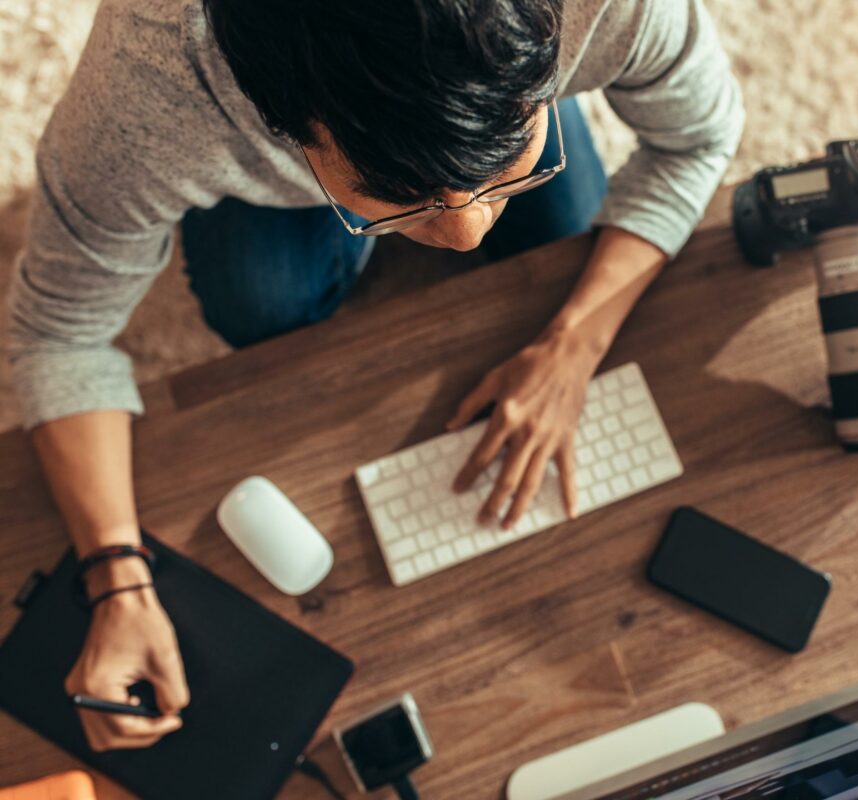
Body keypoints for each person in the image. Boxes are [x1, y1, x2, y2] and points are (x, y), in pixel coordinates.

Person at [4, 0, 743, 752]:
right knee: (264, 306)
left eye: (501, 159)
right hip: (238, 139)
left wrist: (573, 346)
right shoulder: (149, 85)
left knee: (560, 243)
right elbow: (58, 333)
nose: (463, 234)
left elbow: (699, 137)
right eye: (398, 193)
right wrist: (118, 579)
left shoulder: (609, 9)